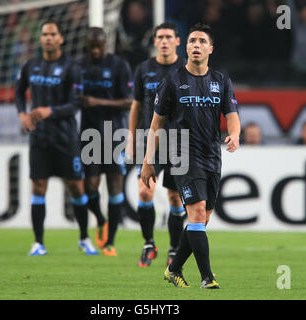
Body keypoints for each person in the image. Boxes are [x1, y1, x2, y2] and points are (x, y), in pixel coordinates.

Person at [141, 23, 241, 289]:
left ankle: (173, 270)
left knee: (203, 219)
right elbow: (155, 126)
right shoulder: (172, 82)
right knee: (196, 213)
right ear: (186, 47)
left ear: (210, 48)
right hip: (182, 155)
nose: (195, 45)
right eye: (191, 41)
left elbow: (232, 117)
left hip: (211, 156)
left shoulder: (221, 81)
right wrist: (148, 162)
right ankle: (207, 277)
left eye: (201, 41)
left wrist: (235, 134)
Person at [15, 21, 98, 256]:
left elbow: (76, 103)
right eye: (44, 34)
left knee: (76, 188)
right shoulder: (31, 65)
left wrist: (50, 111)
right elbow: (18, 91)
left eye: (53, 34)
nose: (48, 38)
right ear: (40, 39)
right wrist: (22, 113)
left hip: (66, 137)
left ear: (61, 38)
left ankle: (84, 238)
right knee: (38, 186)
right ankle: (38, 242)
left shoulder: (71, 68)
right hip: (40, 138)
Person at [127, 22, 186, 267]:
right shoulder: (144, 69)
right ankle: (149, 243)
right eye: (159, 37)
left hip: (179, 141)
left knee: (174, 197)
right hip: (150, 140)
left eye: (168, 37)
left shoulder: (186, 69)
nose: (164, 41)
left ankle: (174, 249)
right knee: (144, 191)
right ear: (154, 42)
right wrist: (131, 137)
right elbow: (136, 105)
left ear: (177, 41)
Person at [78, 27, 133, 256]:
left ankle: (109, 241)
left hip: (114, 133)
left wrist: (96, 102)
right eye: (92, 46)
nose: (96, 50)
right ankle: (101, 219)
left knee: (114, 186)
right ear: (86, 44)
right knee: (89, 187)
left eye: (99, 45)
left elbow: (129, 102)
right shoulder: (79, 66)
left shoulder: (119, 65)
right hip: (89, 134)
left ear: (105, 43)